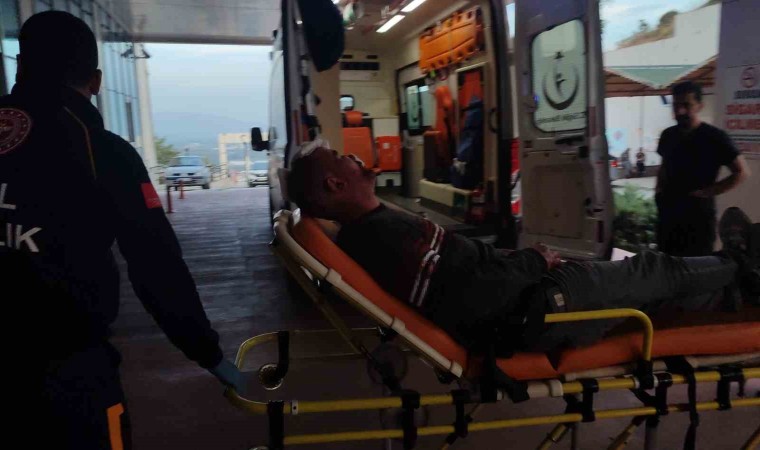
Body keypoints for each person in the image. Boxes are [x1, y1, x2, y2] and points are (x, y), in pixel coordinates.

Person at [0, 12, 243, 449]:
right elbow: (156, 265)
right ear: (95, 81)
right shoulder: (102, 151)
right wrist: (207, 353)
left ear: (20, 68)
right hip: (69, 376)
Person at [286, 145, 759, 354]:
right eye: (342, 158)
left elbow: (462, 272)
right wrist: (533, 261)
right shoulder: (381, 239)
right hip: (536, 309)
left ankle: (741, 286)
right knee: (652, 269)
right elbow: (470, 299)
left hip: (530, 296)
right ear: (335, 184)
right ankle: (740, 260)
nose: (353, 157)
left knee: (656, 297)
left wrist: (521, 260)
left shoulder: (375, 228)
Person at [656, 81, 751, 256]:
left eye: (686, 105)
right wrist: (659, 192)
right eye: (676, 105)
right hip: (668, 217)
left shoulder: (714, 137)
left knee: (696, 268)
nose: (680, 111)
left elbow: (741, 172)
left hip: (698, 219)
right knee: (666, 266)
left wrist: (708, 192)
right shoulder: (668, 135)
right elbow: (664, 166)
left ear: (700, 106)